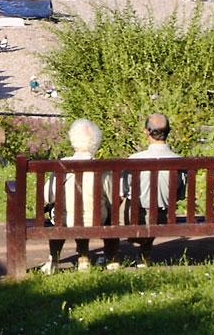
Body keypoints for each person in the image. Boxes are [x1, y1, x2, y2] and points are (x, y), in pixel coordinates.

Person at [42, 119, 119, 273]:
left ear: (73, 140)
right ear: (95, 142)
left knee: (56, 212)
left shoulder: (61, 166)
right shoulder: (103, 169)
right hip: (96, 219)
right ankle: (109, 259)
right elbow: (112, 199)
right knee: (110, 215)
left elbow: (48, 197)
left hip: (64, 220)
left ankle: (54, 260)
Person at [123, 113, 185, 265]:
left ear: (146, 132)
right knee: (156, 207)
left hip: (136, 216)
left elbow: (123, 190)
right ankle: (145, 254)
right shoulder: (180, 161)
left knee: (126, 200)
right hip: (164, 215)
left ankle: (114, 256)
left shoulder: (134, 160)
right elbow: (179, 194)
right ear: (168, 131)